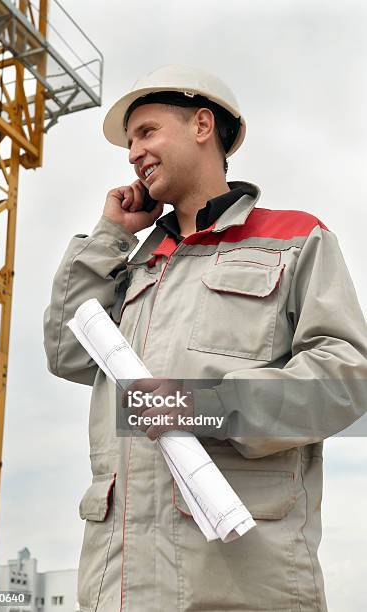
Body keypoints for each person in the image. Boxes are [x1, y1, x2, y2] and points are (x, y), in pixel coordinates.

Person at [43, 65, 367, 612]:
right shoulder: (133, 265)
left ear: (200, 125)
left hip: (240, 587)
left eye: (146, 132)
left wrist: (203, 407)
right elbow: (67, 352)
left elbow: (348, 381)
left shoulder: (292, 240)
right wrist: (108, 238)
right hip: (118, 589)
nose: (132, 153)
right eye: (129, 142)